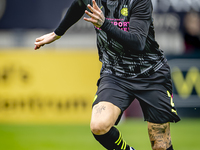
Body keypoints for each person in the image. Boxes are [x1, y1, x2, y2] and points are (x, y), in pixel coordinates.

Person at [34, 0, 181, 150]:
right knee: (99, 126)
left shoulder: (139, 1)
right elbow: (79, 4)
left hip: (151, 73)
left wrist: (104, 24)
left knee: (160, 146)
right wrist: (57, 33)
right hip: (115, 73)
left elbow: (138, 43)